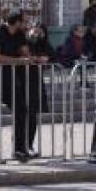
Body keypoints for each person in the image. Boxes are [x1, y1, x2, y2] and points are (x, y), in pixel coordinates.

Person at [0, 9, 32, 162]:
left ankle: (19, 149)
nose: (27, 24)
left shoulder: (19, 34)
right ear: (17, 22)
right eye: (24, 21)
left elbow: (26, 54)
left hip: (9, 78)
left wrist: (32, 40)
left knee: (21, 109)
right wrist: (18, 61)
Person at [24, 21, 54, 156]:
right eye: (35, 31)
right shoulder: (24, 40)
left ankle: (29, 144)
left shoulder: (42, 42)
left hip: (35, 81)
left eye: (40, 32)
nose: (37, 34)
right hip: (22, 81)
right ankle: (20, 145)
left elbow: (52, 54)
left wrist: (45, 58)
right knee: (23, 115)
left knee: (32, 114)